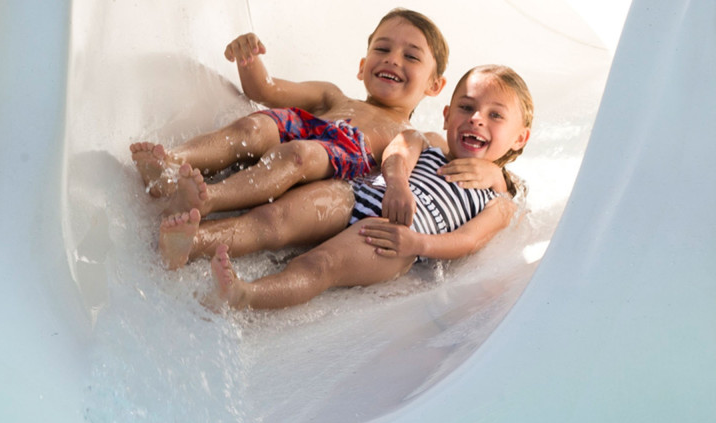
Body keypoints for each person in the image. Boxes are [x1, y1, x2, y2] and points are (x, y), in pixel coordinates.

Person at [158, 64, 533, 310]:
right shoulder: (431, 140)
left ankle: (246, 295)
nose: (477, 119)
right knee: (272, 219)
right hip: (359, 193)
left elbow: (468, 240)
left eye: (495, 115)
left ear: (519, 138)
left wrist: (418, 244)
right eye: (466, 108)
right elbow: (398, 153)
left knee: (319, 266)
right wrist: (398, 184)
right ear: (448, 115)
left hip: (396, 239)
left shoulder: (500, 201)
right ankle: (189, 244)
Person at [129, 8, 449, 223]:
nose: (393, 60)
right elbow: (266, 91)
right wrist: (249, 59)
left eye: (410, 56)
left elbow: (453, 155)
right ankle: (170, 163)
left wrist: (493, 173)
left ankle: (209, 198)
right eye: (382, 49)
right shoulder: (331, 95)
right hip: (307, 130)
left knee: (297, 154)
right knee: (253, 126)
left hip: (336, 157)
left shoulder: (411, 135)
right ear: (362, 66)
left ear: (435, 86)